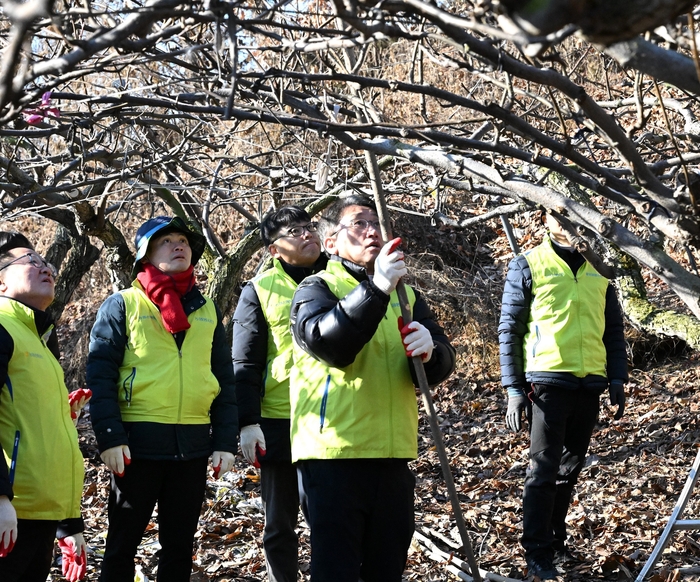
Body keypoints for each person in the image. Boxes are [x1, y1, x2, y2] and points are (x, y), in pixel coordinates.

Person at [288, 195, 456, 582]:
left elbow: (442, 360)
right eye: (358, 224)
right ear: (331, 242)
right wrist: (377, 287)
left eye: (375, 223)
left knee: (387, 568)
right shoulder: (315, 289)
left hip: (392, 454)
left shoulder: (406, 297)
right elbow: (331, 345)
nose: (371, 232)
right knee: (337, 571)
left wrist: (431, 354)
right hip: (334, 455)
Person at [87, 216, 238, 582]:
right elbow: (100, 376)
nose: (178, 245)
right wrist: (109, 436)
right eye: (166, 240)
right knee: (122, 544)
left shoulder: (207, 309)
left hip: (193, 444)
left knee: (180, 546)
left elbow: (223, 379)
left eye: (183, 240)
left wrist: (224, 441)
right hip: (136, 443)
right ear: (146, 255)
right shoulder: (122, 304)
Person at [498, 212, 628, 580]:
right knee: (543, 471)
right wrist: (513, 389)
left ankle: (555, 543)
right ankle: (537, 552)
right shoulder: (528, 265)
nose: (569, 224)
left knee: (568, 471)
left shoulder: (599, 268)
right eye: (560, 216)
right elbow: (509, 329)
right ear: (546, 218)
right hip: (546, 384)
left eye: (574, 215)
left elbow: (613, 329)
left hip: (589, 385)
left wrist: (617, 377)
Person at [233, 206, 325, 582]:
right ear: (274, 250)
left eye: (309, 227)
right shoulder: (259, 289)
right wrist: (247, 422)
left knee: (330, 519)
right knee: (280, 523)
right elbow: (245, 360)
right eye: (294, 231)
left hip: (333, 416)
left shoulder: (341, 277)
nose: (307, 234)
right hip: (279, 419)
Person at [0, 231, 87, 582]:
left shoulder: (41, 339)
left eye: (45, 261)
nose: (45, 267)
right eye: (30, 261)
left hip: (40, 514)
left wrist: (69, 523)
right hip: (10, 511)